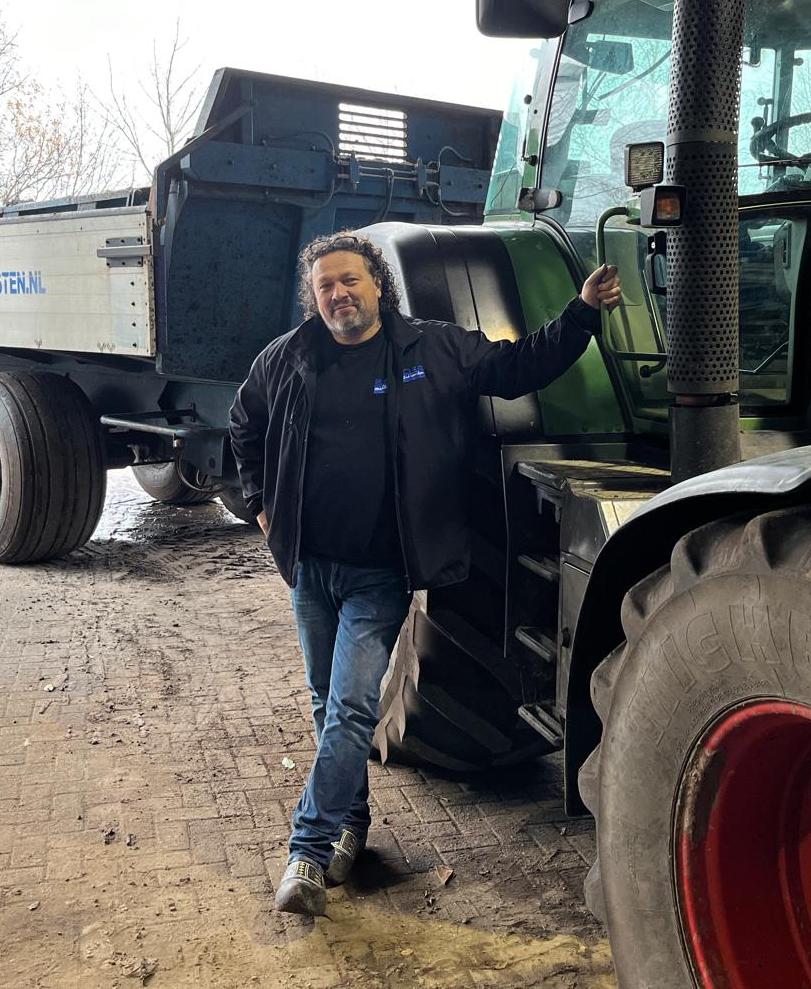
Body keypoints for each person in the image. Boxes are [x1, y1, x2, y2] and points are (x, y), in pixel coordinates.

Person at [229, 231, 620, 916]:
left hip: (379, 573)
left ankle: (309, 851)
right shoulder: (287, 358)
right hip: (310, 568)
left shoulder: (432, 349)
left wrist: (581, 312)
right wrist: (261, 508)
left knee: (351, 706)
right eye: (325, 286)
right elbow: (243, 425)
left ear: (378, 283)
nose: (338, 295)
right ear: (313, 297)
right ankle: (352, 825)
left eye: (350, 281)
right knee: (328, 705)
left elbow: (520, 366)